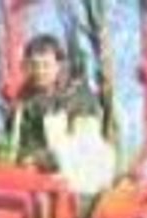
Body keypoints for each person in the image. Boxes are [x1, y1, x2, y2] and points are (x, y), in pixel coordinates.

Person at [15, 34, 112, 192]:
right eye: (35, 65)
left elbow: (84, 143)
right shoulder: (27, 105)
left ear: (58, 65)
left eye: (45, 65)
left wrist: (41, 159)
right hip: (38, 179)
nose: (40, 71)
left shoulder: (79, 97)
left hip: (81, 178)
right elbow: (23, 145)